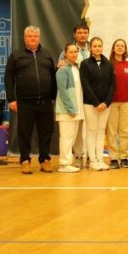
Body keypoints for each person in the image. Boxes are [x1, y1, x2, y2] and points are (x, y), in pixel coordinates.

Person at [5, 26, 57, 175]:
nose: (33, 38)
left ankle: (44, 160)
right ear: (24, 38)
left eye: (35, 36)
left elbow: (53, 77)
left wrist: (53, 96)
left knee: (46, 132)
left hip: (45, 102)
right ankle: (25, 161)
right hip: (25, 102)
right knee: (25, 133)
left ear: (39, 38)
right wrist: (11, 99)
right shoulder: (16, 55)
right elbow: (9, 78)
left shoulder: (47, 54)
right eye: (30, 36)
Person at [79, 37, 115, 171]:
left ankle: (100, 159)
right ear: (91, 48)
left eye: (99, 46)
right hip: (90, 104)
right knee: (91, 131)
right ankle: (92, 160)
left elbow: (112, 85)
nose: (97, 48)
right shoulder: (85, 64)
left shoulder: (109, 64)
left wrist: (106, 102)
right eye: (95, 46)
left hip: (105, 105)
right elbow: (85, 85)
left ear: (102, 47)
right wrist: (96, 103)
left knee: (101, 131)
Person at [58, 22, 90, 168]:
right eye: (79, 32)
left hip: (89, 94)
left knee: (89, 128)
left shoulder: (92, 48)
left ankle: (91, 155)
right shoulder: (67, 53)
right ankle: (77, 156)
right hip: (73, 95)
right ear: (74, 35)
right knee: (74, 130)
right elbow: (61, 70)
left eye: (85, 32)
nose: (82, 35)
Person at [54, 44, 85, 173]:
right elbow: (63, 92)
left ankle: (67, 162)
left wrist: (76, 109)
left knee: (71, 139)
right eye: (71, 52)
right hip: (67, 111)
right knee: (66, 138)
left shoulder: (76, 68)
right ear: (65, 54)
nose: (74, 54)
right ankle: (64, 164)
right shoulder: (62, 70)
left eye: (75, 52)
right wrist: (71, 109)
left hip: (77, 110)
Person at [106, 39, 128, 169]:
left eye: (122, 46)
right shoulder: (108, 65)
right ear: (113, 48)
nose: (120, 47)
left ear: (125, 49)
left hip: (126, 102)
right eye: (117, 45)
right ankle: (113, 158)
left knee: (125, 130)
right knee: (111, 131)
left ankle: (124, 157)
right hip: (111, 103)